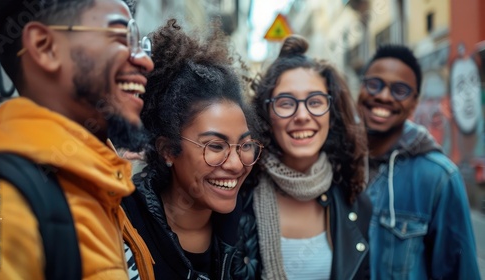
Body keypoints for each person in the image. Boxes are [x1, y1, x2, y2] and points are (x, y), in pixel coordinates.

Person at [0, 0, 155, 279]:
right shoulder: (3, 205)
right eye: (119, 37)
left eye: (140, 43)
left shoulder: (102, 183)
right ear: (44, 47)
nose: (146, 61)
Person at [120, 19, 263, 279]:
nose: (235, 164)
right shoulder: (123, 223)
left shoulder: (249, 223)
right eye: (216, 146)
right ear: (168, 150)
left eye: (244, 145)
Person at [236, 34, 372, 280]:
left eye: (315, 101)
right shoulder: (237, 197)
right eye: (286, 103)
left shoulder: (355, 202)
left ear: (332, 112)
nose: (302, 115)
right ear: (266, 113)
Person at [357, 44, 481, 279]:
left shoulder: (439, 178)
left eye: (400, 90)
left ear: (414, 102)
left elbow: (460, 272)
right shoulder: (334, 163)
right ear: (361, 88)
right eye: (374, 84)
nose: (383, 96)